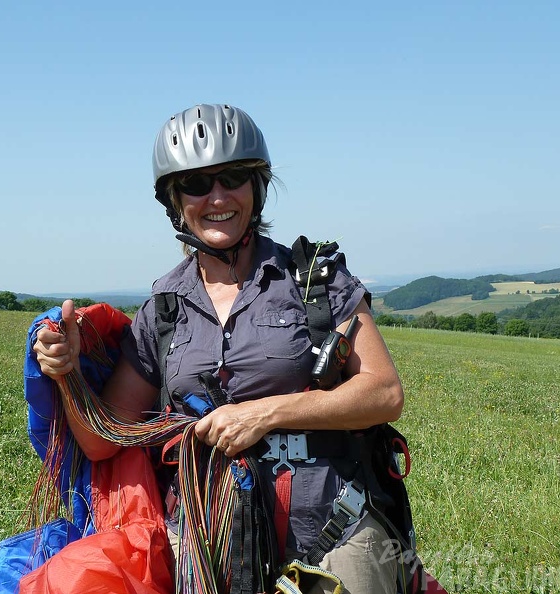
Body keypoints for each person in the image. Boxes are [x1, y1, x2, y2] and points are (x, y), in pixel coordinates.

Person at [33, 103, 405, 594]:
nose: (217, 196)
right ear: (174, 200)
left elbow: (383, 393)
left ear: (257, 186)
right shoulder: (164, 310)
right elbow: (107, 439)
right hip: (207, 547)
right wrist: (67, 372)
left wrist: (267, 413)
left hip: (335, 529)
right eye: (195, 184)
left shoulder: (315, 280)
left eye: (232, 177)